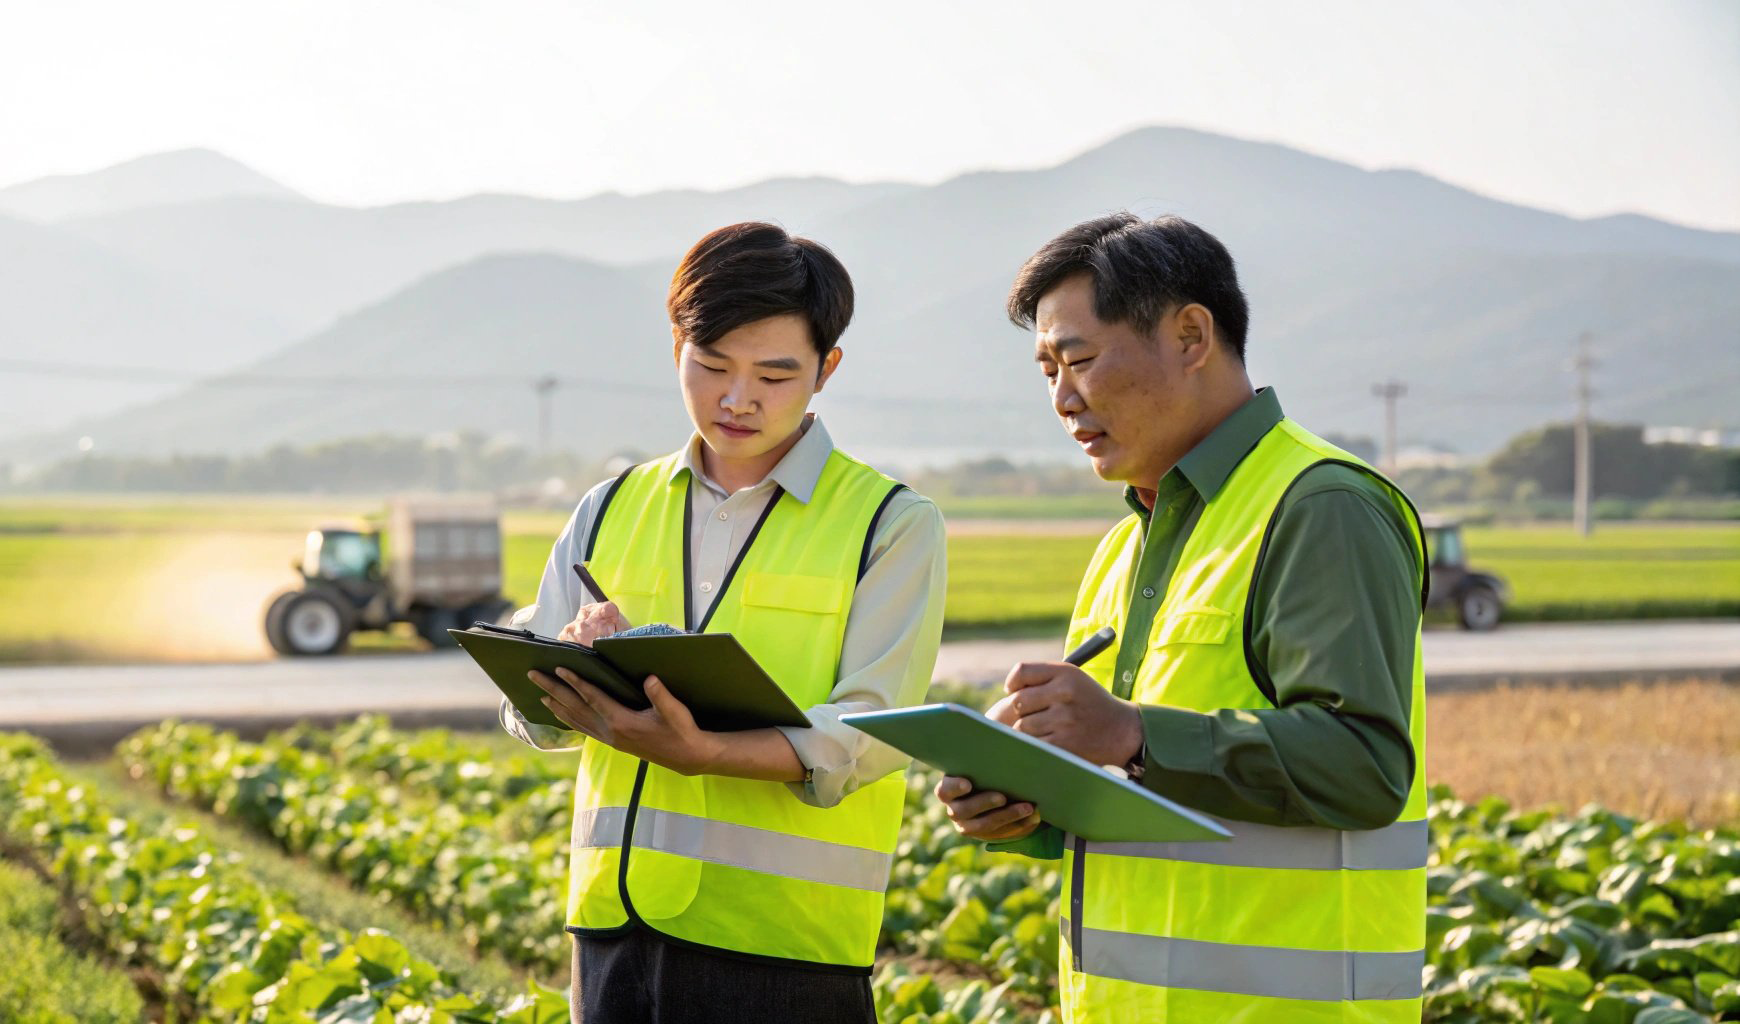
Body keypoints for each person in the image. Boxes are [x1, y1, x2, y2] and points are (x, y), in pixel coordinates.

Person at [937, 213, 1427, 1023]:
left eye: (1081, 359)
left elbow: (1364, 765)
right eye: (1046, 371)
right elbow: (1132, 793)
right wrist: (1021, 804)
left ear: (1192, 334)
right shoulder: (1119, 552)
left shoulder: (1322, 507)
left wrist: (1129, 733)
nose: (1063, 399)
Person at [498, 221, 947, 1024]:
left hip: (784, 948)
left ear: (826, 370)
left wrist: (705, 752)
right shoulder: (608, 507)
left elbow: (878, 729)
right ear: (678, 347)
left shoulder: (891, 524)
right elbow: (529, 714)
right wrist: (561, 670)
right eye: (711, 367)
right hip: (609, 928)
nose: (737, 399)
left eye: (775, 375)